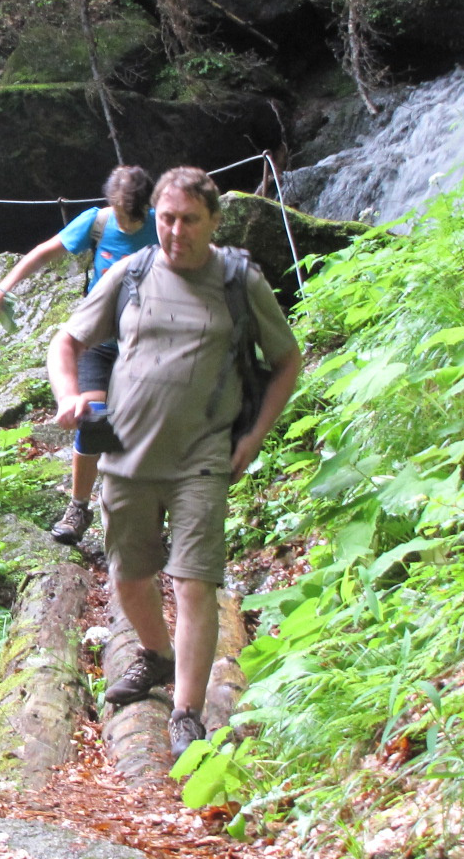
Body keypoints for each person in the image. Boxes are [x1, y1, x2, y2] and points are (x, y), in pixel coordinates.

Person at [47, 167, 302, 758]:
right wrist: (68, 396)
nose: (175, 231)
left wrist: (255, 436)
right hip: (126, 456)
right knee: (130, 580)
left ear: (214, 221)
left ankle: (187, 711)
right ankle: (157, 657)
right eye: (166, 218)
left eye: (189, 219)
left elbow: (286, 360)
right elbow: (68, 342)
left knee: (193, 582)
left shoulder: (239, 282)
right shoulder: (130, 274)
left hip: (203, 458)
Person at [0, 165, 157, 545]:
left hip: (148, 346)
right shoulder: (97, 223)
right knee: (91, 419)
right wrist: (0, 290)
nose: (128, 222)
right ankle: (78, 507)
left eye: (134, 214)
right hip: (99, 342)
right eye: (123, 214)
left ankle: (147, 511)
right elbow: (43, 253)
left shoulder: (162, 226)